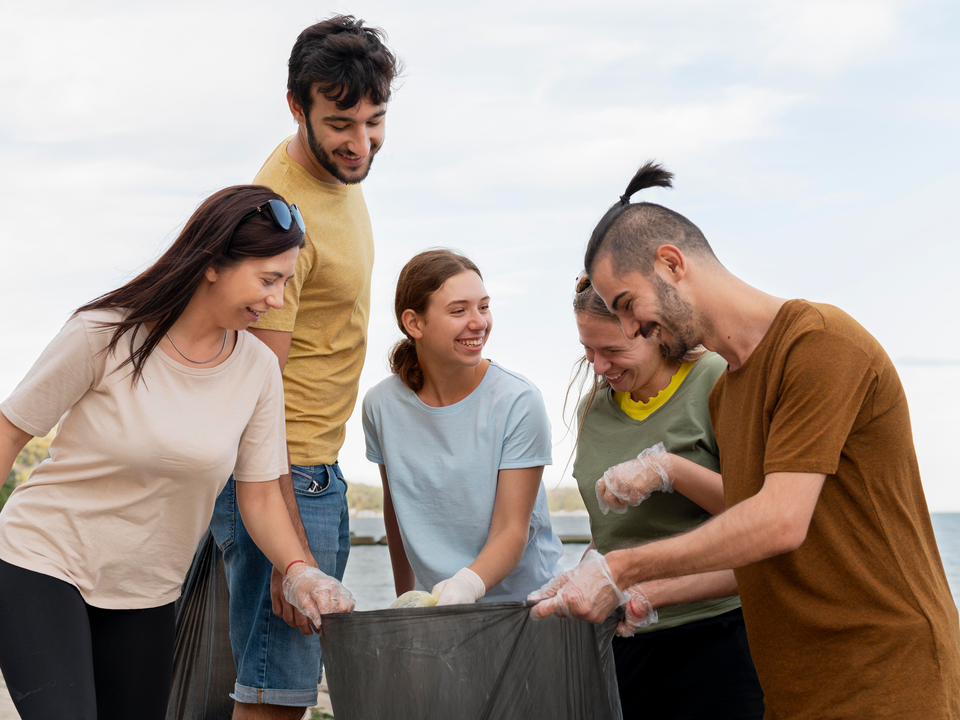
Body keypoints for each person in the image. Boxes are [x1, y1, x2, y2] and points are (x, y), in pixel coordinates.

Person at [532, 162, 960, 719]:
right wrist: (634, 591)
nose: (632, 330)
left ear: (671, 263)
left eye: (627, 304)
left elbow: (778, 522)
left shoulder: (819, 343)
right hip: (793, 688)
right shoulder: (725, 395)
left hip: (885, 679)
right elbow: (755, 557)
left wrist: (623, 567)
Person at [0, 185, 354, 720]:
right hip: (43, 563)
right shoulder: (104, 333)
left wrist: (301, 570)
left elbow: (258, 495)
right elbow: (9, 431)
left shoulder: (257, 368)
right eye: (267, 279)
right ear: (213, 263)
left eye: (285, 281)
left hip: (148, 593)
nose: (278, 300)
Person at [208, 15, 400, 716]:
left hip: (316, 470)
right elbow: (257, 391)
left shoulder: (336, 178)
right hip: (285, 478)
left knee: (279, 692)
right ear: (298, 108)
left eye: (375, 121)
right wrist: (296, 556)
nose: (361, 142)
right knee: (274, 701)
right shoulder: (282, 215)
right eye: (341, 123)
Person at [568, 282, 763, 718]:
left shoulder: (716, 379)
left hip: (720, 635)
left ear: (652, 329)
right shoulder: (593, 409)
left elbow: (762, 516)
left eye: (612, 351)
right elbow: (614, 535)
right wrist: (584, 572)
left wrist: (669, 470)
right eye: (588, 348)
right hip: (629, 641)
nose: (599, 366)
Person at [361, 249, 564, 605]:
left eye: (483, 306)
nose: (479, 322)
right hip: (439, 611)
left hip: (527, 608)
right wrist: (406, 598)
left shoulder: (518, 401)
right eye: (459, 310)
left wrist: (465, 587)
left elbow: (511, 529)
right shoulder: (381, 406)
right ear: (414, 323)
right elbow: (397, 511)